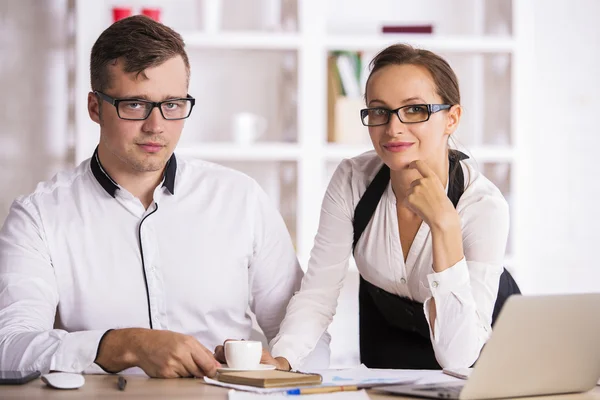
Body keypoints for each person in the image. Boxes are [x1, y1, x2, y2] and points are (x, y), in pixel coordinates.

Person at [0, 15, 329, 378]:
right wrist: (123, 345)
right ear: (95, 108)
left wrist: (282, 364)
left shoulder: (241, 199)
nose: (156, 126)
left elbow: (306, 339)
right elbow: (9, 347)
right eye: (135, 105)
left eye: (172, 105)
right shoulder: (39, 216)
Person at [269, 44, 519, 370]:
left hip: (484, 350)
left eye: (414, 110)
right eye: (379, 111)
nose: (393, 128)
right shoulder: (352, 181)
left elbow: (459, 356)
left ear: (452, 119)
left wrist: (444, 224)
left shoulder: (483, 206)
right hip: (388, 342)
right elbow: (318, 294)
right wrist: (280, 361)